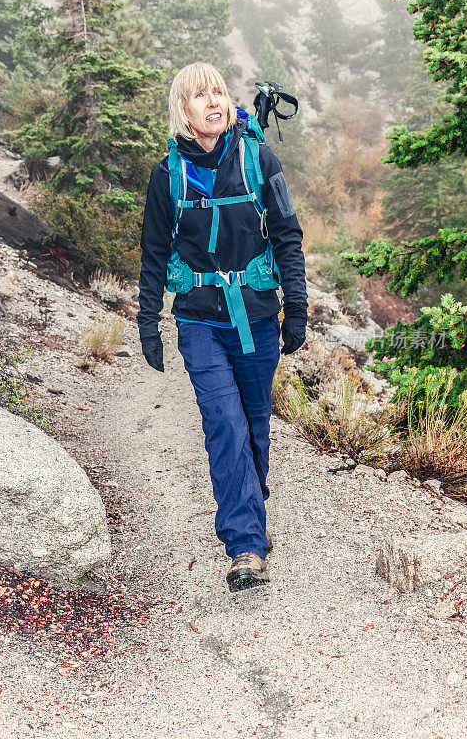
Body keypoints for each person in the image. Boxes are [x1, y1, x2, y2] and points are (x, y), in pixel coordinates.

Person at [137, 62, 307, 592]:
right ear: (182, 110)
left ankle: (251, 513)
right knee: (224, 425)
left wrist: (297, 306)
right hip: (197, 320)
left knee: (255, 424)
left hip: (256, 315)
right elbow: (153, 252)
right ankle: (245, 545)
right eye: (199, 95)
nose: (213, 102)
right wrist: (148, 318)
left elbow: (286, 232)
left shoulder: (260, 159)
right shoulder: (166, 176)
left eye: (218, 92)